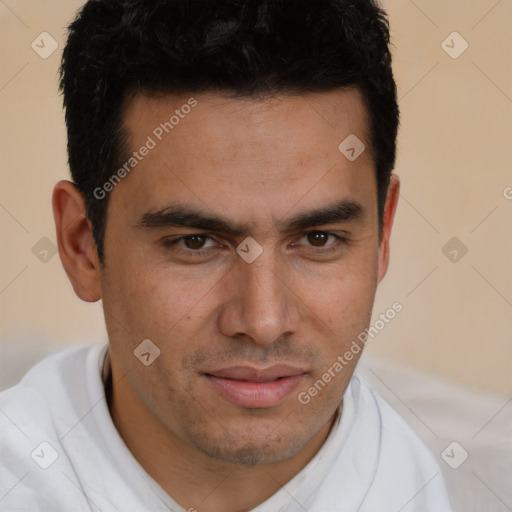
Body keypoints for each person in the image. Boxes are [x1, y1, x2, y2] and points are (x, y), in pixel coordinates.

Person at [0, 0, 453, 510]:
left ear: (382, 235)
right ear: (82, 245)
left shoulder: (410, 480)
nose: (262, 322)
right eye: (195, 242)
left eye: (318, 239)